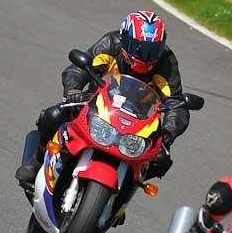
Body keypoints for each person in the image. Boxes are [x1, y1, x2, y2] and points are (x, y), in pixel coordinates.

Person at [16, 11, 190, 188]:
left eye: (152, 50)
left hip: (138, 123)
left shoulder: (166, 62)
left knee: (161, 159)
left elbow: (176, 103)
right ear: (125, 40)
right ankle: (38, 161)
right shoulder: (111, 44)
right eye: (139, 48)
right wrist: (73, 90)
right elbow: (78, 69)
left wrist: (167, 134)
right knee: (52, 115)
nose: (145, 56)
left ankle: (124, 190)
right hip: (95, 106)